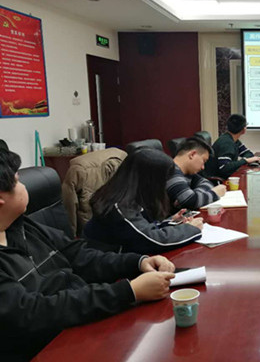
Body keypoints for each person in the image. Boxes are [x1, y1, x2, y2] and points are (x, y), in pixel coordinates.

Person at [0, 149, 176, 361]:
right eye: (18, 181)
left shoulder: (23, 226)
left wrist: (138, 262)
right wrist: (128, 292)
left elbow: (80, 256)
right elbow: (33, 313)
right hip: (48, 348)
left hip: (83, 322)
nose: (24, 186)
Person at [84, 148, 203, 255]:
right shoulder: (119, 206)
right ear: (150, 179)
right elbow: (152, 240)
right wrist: (191, 229)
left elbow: (140, 230)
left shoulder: (134, 195)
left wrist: (170, 222)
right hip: (111, 263)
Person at [166, 137, 227, 212]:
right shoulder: (171, 170)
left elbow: (207, 183)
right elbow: (190, 201)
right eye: (203, 161)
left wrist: (196, 195)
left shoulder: (187, 172)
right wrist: (215, 193)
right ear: (192, 154)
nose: (203, 167)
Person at [211, 114, 260, 179]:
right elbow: (224, 167)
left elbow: (248, 153)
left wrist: (247, 160)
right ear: (243, 129)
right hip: (221, 180)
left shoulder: (234, 140)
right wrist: (245, 160)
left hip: (230, 175)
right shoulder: (226, 143)